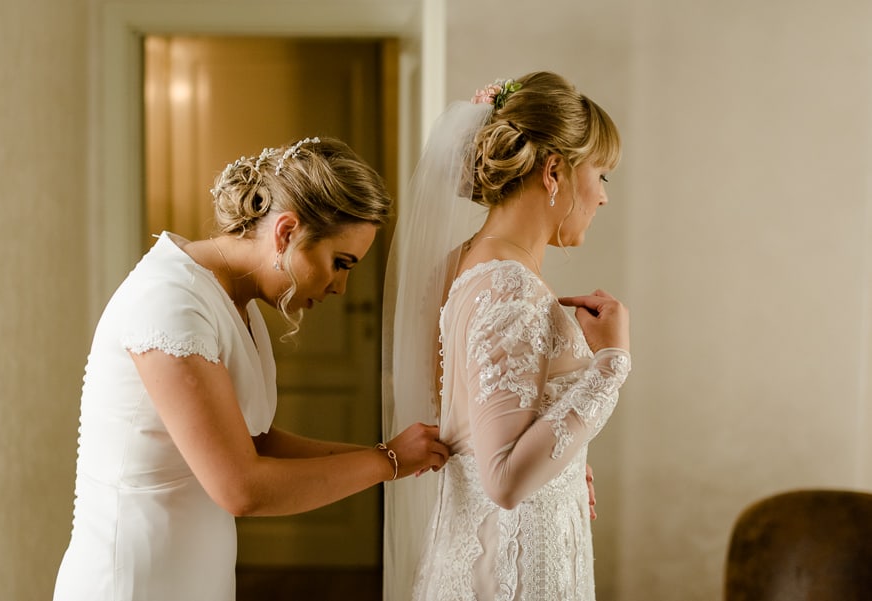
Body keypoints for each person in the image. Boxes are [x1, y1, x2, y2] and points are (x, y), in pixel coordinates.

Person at [52, 136, 449, 601]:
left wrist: (388, 453)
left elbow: (257, 441)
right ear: (286, 233)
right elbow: (240, 487)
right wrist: (387, 463)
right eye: (340, 263)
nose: (341, 286)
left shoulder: (236, 301)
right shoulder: (170, 302)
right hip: (135, 580)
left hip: (195, 574)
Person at [382, 71, 632, 600]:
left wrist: (566, 464)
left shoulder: (465, 265)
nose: (604, 198)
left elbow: (471, 438)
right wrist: (611, 362)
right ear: (555, 171)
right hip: (515, 570)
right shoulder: (506, 284)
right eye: (602, 175)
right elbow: (503, 478)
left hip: (494, 547)